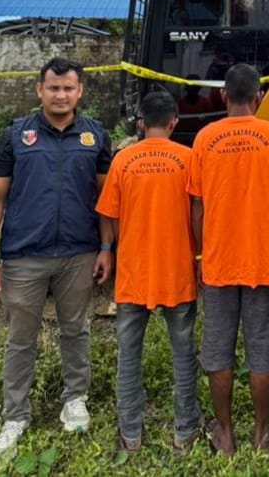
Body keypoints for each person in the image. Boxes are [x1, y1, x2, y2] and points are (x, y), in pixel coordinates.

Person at [0, 58, 114, 466]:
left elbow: (105, 199)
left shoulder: (95, 136)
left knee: (76, 329)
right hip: (24, 256)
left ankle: (75, 399)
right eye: (53, 88)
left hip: (79, 252)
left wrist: (107, 247)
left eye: (68, 88)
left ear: (80, 92)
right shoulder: (16, 136)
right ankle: (15, 416)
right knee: (21, 338)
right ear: (40, 90)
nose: (61, 95)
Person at [189, 63, 269, 456]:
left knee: (218, 348)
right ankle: (262, 433)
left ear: (222, 96)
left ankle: (226, 434)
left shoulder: (205, 138)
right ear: (259, 97)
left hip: (217, 260)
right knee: (261, 349)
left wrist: (200, 253)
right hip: (262, 260)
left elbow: (197, 206)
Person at [96, 91, 203, 453]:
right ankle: (185, 431)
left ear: (140, 123)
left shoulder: (123, 160)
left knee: (128, 354)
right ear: (175, 122)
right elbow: (198, 214)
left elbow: (108, 213)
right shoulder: (188, 159)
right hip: (178, 272)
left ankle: (130, 434)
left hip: (133, 273)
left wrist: (107, 251)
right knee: (183, 351)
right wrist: (200, 257)